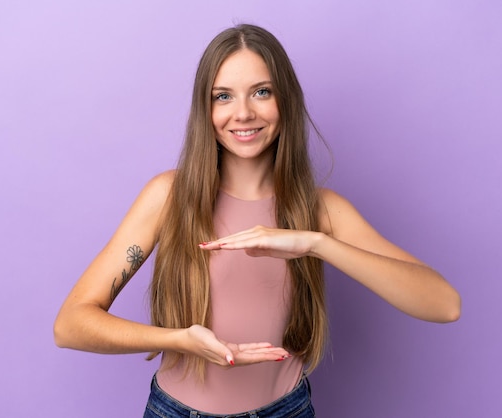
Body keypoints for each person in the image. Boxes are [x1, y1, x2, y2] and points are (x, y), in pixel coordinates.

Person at [54, 24, 461, 417]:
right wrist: (181, 340)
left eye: (261, 92)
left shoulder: (321, 211)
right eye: (223, 96)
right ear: (205, 108)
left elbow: (444, 305)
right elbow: (71, 324)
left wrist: (316, 243)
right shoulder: (168, 197)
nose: (243, 113)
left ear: (285, 100)